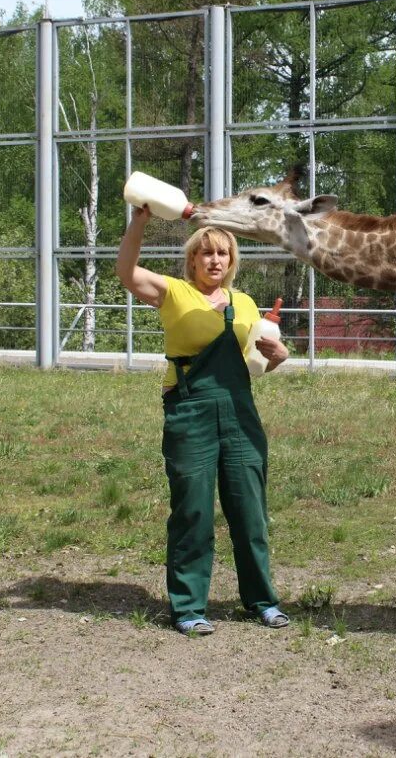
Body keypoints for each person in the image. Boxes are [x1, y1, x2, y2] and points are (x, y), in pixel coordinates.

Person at [116, 205, 290, 636]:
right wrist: (139, 221)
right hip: (190, 409)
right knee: (192, 510)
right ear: (193, 258)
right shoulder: (174, 293)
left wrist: (279, 359)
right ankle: (189, 607)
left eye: (223, 254)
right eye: (207, 253)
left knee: (250, 510)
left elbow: (255, 365)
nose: (215, 260)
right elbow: (126, 270)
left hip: (240, 411)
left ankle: (262, 601)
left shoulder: (245, 303)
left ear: (232, 262)